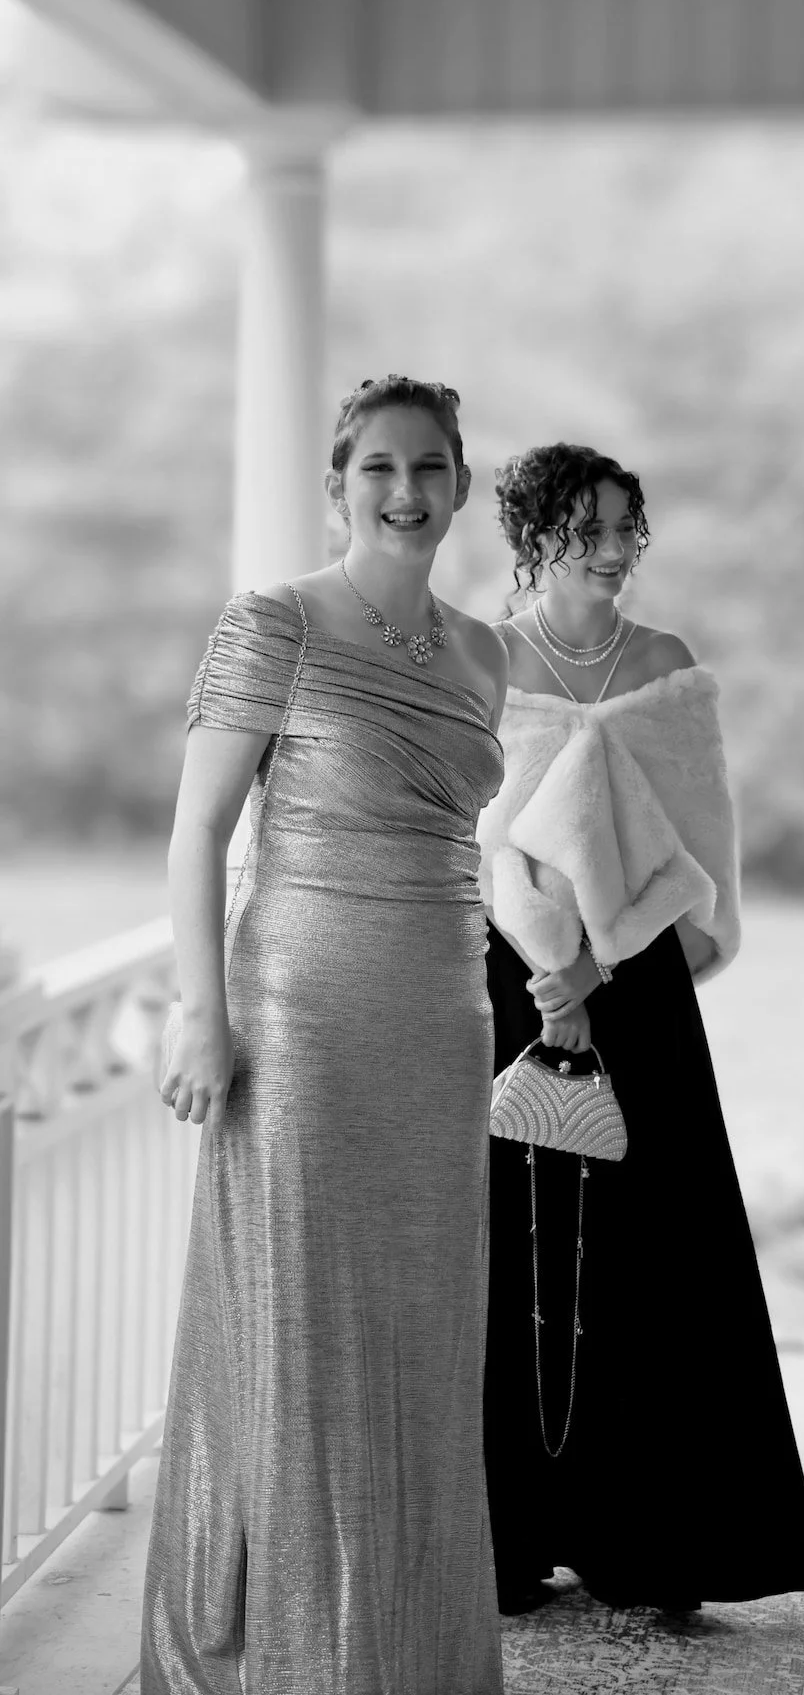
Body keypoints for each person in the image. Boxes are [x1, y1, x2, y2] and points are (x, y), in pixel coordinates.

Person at [142, 375, 508, 1695]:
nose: (405, 493)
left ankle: (407, 1651)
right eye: (377, 469)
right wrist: (205, 1012)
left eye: (429, 468)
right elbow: (196, 830)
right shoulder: (277, 622)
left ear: (461, 482)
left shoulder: (484, 651)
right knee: (305, 1330)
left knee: (420, 1344)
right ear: (338, 483)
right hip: (301, 1016)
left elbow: (463, 842)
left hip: (444, 1018)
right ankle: (298, 1658)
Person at [478, 441, 804, 1617]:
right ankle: (512, 1531)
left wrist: (603, 962)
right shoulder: (482, 658)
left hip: (641, 986)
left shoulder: (670, 669)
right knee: (510, 1249)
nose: (618, 550)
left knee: (654, 1246)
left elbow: (699, 850)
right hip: (511, 979)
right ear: (532, 534)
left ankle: (654, 1537)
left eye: (630, 527)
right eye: (590, 529)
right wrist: (549, 965)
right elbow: (475, 837)